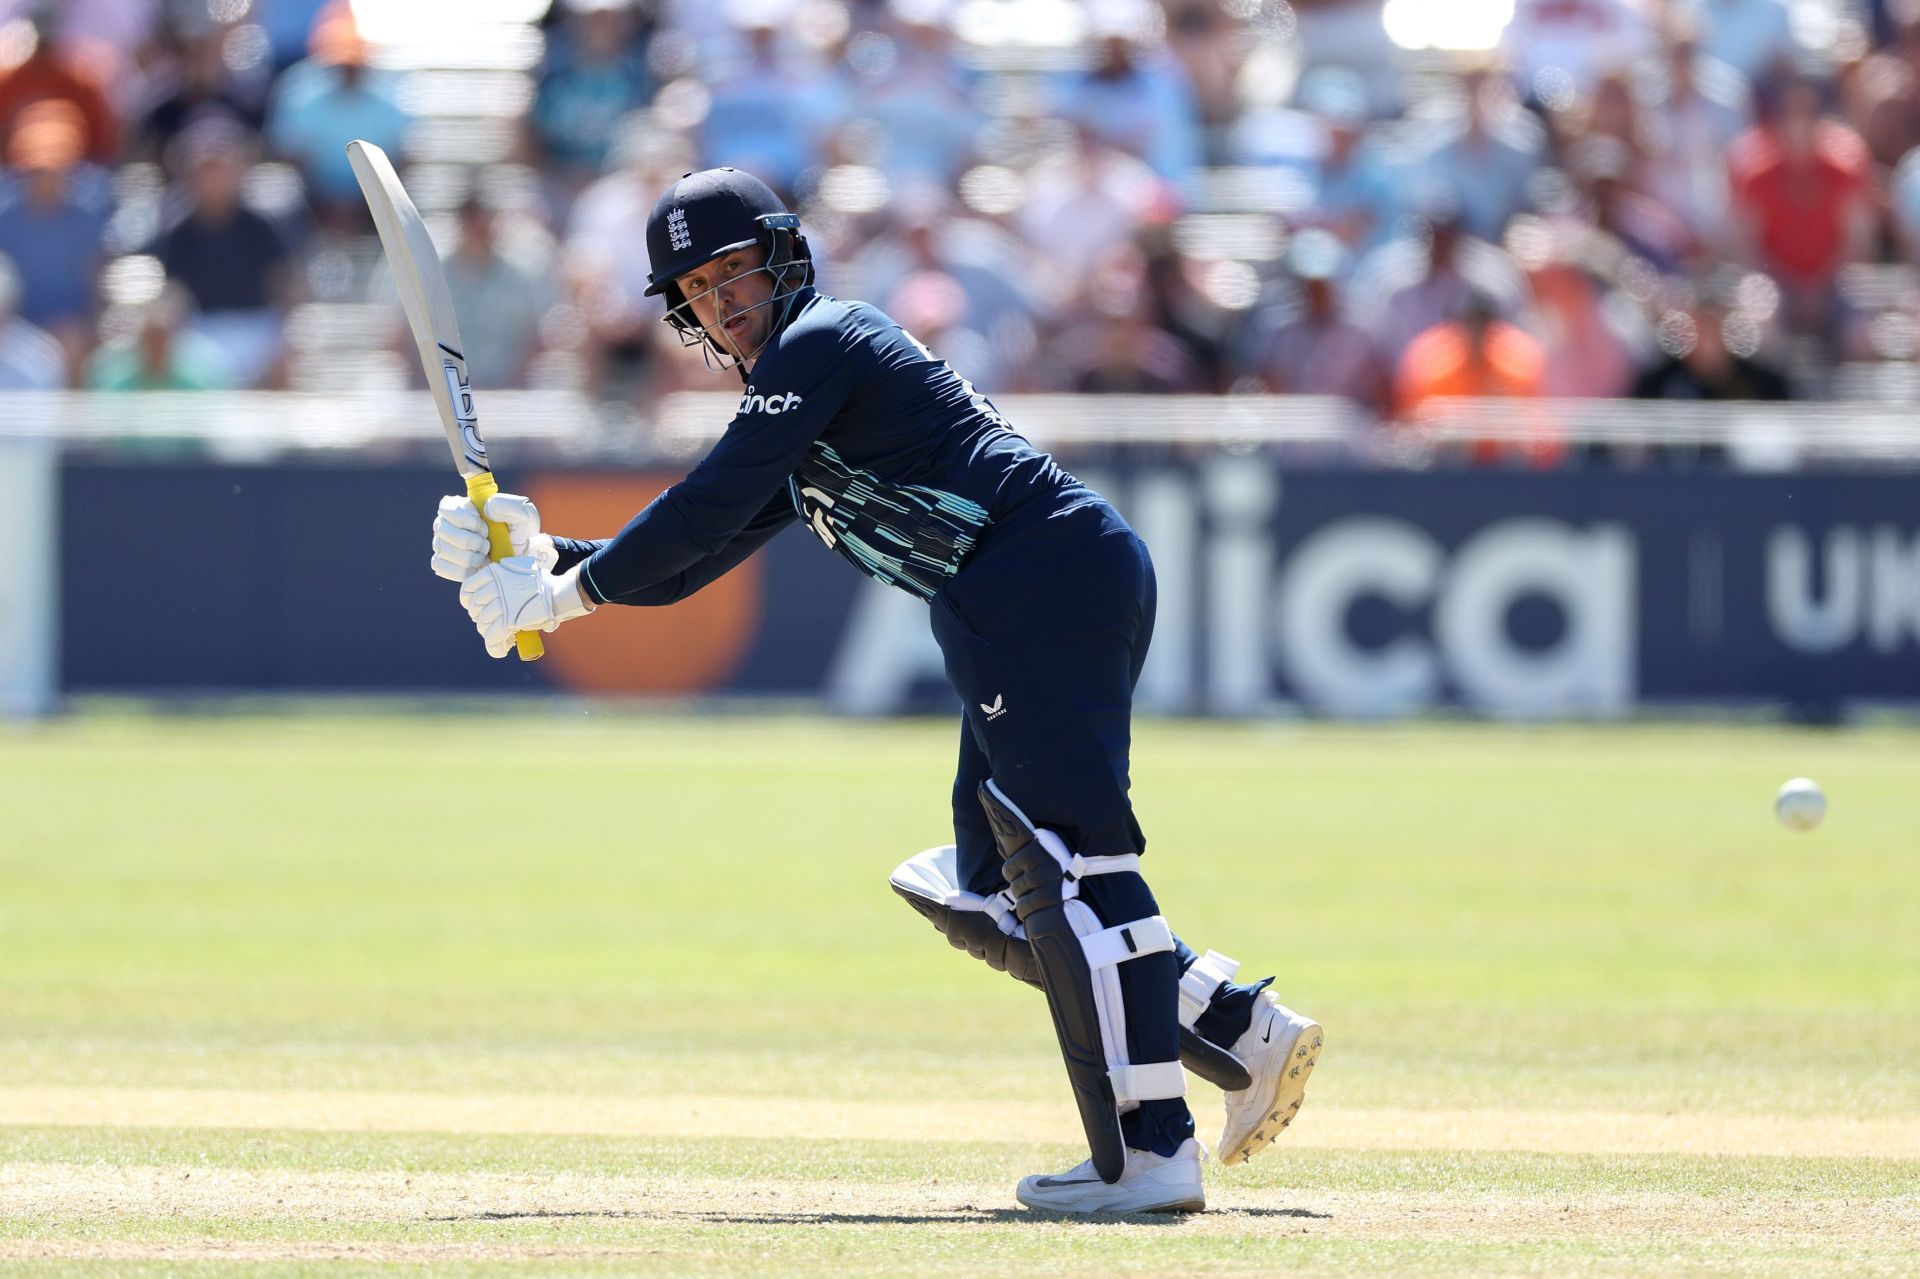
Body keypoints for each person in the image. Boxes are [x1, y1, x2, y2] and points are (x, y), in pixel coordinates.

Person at [426, 168, 1323, 1214]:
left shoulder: (825, 342)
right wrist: (541, 557)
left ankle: (1149, 1152)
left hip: (1039, 580)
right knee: (985, 887)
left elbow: (706, 502)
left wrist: (563, 595)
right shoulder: (802, 403)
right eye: (698, 292)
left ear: (784, 257)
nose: (723, 303)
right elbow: (691, 561)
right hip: (1016, 599)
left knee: (1075, 863)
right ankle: (1231, 1026)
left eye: (734, 274)